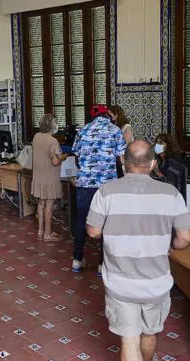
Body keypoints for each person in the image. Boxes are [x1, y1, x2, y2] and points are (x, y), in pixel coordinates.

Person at [86, 140, 190, 361]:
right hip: (156, 283)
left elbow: (92, 232)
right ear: (153, 163)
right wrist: (171, 246)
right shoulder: (171, 193)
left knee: (129, 340)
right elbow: (186, 237)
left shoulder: (106, 191)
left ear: (122, 161)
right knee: (150, 331)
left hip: (120, 284)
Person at [72, 104, 126, 273]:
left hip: (85, 185)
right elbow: (121, 159)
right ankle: (102, 264)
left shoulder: (82, 131)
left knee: (81, 221)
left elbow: (77, 158)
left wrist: (86, 170)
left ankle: (77, 260)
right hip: (107, 186)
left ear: (92, 116)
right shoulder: (115, 131)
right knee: (106, 224)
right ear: (107, 115)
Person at [31, 114, 67, 241]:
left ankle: (40, 231)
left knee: (41, 204)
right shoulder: (53, 141)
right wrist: (64, 156)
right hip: (49, 178)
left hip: (38, 176)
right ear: (52, 126)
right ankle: (48, 234)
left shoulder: (36, 137)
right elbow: (55, 162)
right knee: (49, 206)